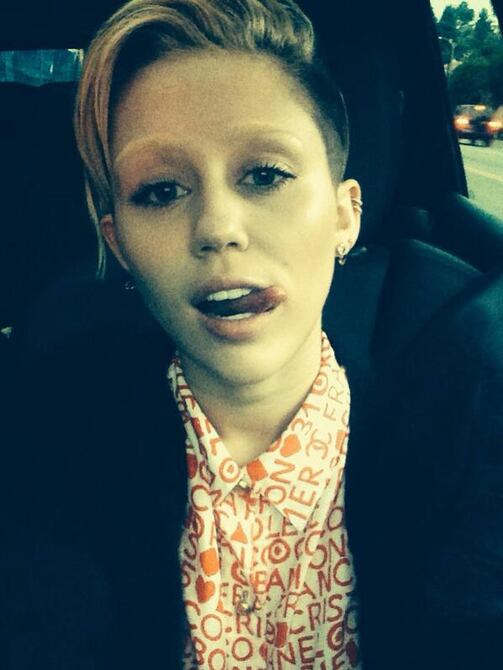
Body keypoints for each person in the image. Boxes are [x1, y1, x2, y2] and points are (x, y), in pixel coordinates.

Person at [3, 0, 502, 669]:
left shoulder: (469, 432)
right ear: (119, 246)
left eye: (265, 175)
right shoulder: (50, 449)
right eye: (161, 190)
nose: (217, 227)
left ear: (344, 216)